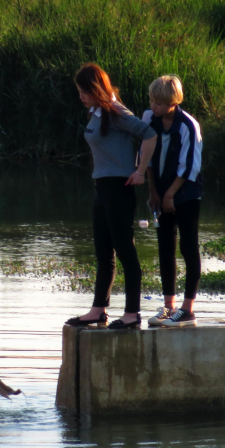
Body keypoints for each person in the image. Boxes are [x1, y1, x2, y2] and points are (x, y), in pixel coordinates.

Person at [66, 63, 157, 330]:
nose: (80, 96)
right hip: (102, 188)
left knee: (125, 251)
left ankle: (132, 314)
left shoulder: (117, 111)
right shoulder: (97, 113)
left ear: (96, 89)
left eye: (84, 91)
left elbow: (149, 135)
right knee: (103, 252)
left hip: (119, 188)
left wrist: (140, 172)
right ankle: (98, 310)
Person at [141, 75, 204, 328]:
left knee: (189, 247)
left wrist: (170, 195)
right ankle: (169, 306)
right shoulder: (148, 119)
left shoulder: (188, 125)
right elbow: (146, 157)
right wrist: (154, 192)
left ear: (173, 102)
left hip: (186, 193)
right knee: (165, 247)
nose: (153, 106)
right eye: (152, 101)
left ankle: (188, 309)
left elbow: (190, 166)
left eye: (158, 102)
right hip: (161, 188)